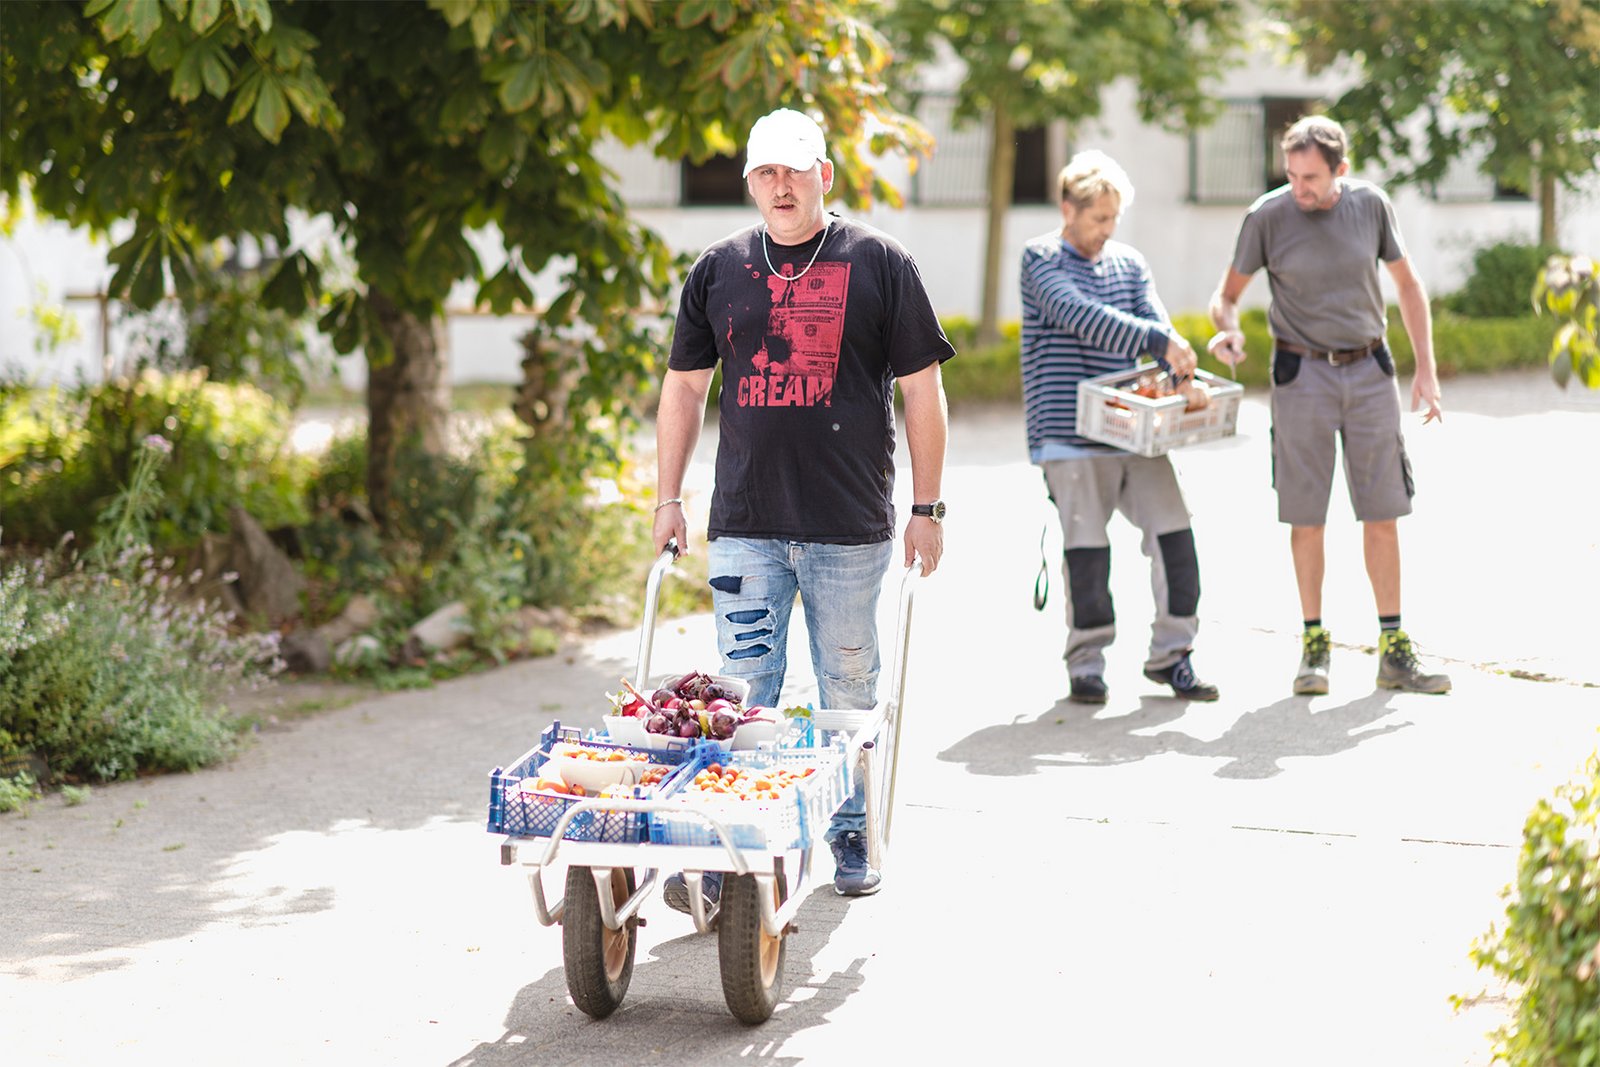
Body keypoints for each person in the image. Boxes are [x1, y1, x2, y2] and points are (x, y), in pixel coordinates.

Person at [652, 108, 954, 907]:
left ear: (825, 174)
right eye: (764, 173)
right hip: (746, 522)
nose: (780, 186)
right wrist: (666, 497)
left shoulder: (880, 261)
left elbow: (923, 388)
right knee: (740, 692)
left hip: (848, 528)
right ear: (749, 181)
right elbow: (684, 387)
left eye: (794, 170)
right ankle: (728, 853)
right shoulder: (718, 269)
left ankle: (850, 828)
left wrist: (929, 504)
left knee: (845, 691)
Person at [1207, 114, 1450, 696]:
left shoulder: (1371, 206)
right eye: (1291, 175)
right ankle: (1314, 647)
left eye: (1311, 177)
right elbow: (1227, 297)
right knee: (1306, 517)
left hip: (1369, 373)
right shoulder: (1267, 215)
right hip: (1301, 378)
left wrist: (1427, 370)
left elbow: (1410, 286)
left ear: (1341, 169)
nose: (1299, 188)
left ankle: (1393, 649)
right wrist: (1229, 330)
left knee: (1382, 512)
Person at [1020, 149, 1219, 706]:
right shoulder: (1040, 260)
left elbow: (1158, 325)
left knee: (1176, 536)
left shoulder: (1128, 264)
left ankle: (1173, 656)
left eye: (1112, 219)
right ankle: (1087, 663)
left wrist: (1183, 377)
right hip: (1068, 432)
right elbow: (1081, 314)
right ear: (1068, 209)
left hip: (1137, 429)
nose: (1106, 230)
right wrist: (1159, 343)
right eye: (1097, 219)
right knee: (1087, 551)